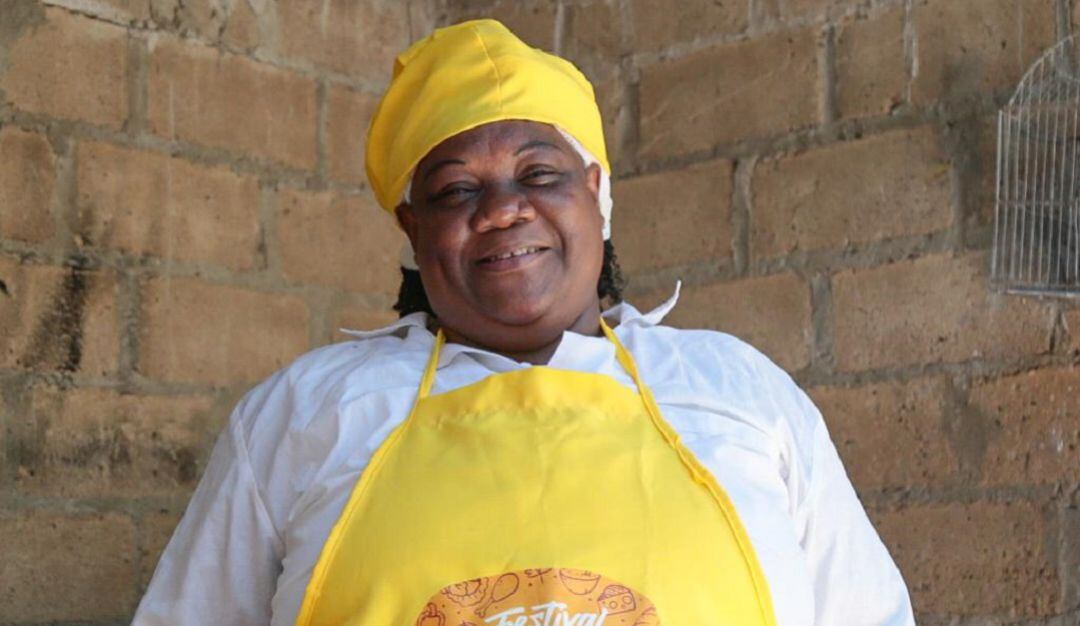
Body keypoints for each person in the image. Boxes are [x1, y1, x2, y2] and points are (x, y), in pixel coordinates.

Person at [134, 19, 916, 626]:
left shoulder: (739, 393)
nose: (503, 209)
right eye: (456, 190)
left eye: (539, 174)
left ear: (596, 195)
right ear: (412, 228)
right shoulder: (303, 414)